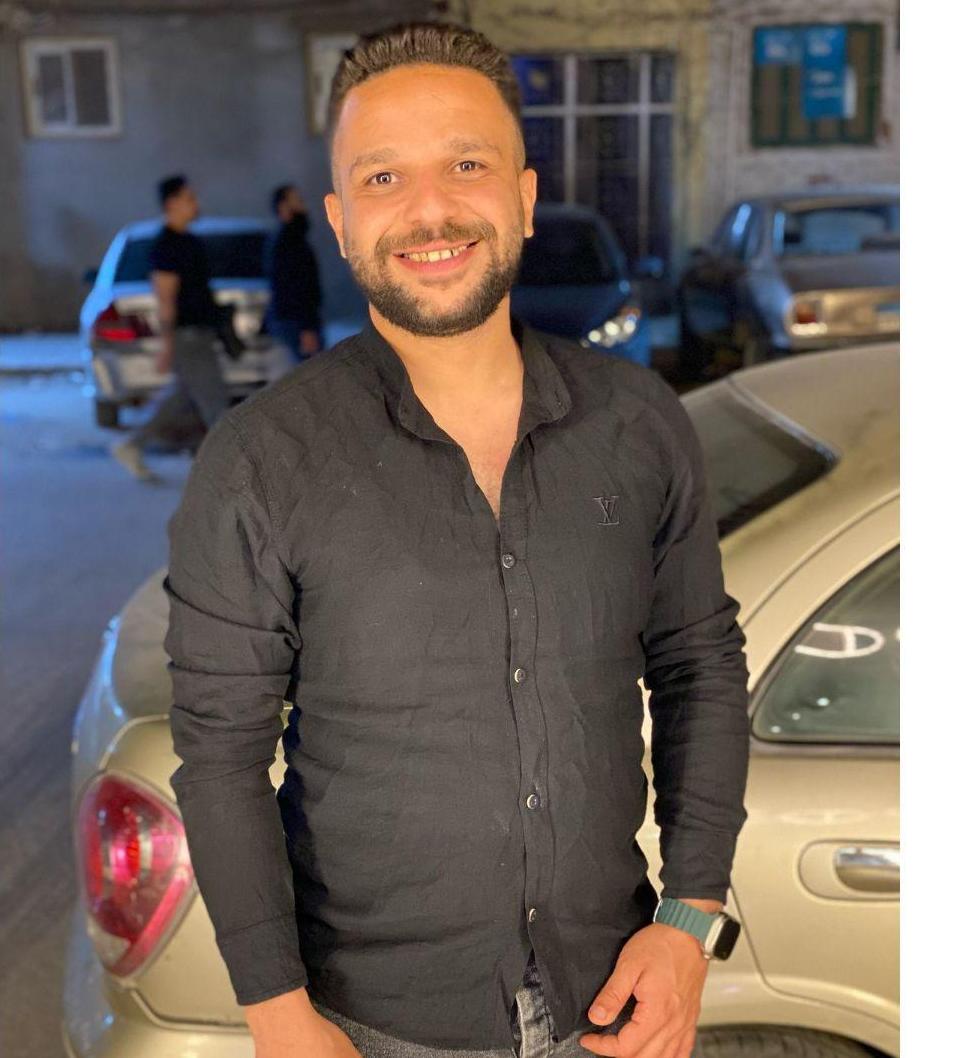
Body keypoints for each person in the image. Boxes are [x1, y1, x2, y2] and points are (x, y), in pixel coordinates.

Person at [165, 23, 749, 1058]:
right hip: (371, 1024)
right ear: (342, 221)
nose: (429, 210)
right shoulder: (260, 460)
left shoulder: (639, 423)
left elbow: (697, 663)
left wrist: (689, 916)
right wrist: (277, 1011)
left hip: (613, 999)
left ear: (522, 196)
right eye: (384, 176)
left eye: (465, 165)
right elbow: (220, 753)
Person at [111, 175, 228, 481]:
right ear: (172, 203)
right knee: (215, 403)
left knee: (181, 397)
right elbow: (165, 298)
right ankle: (228, 472)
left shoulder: (189, 242)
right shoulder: (167, 246)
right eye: (189, 198)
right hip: (188, 336)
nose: (195, 204)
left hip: (200, 331)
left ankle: (132, 443)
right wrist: (167, 344)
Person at [266, 184, 324, 364]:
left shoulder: (292, 239)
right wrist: (306, 328)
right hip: (296, 325)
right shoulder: (289, 242)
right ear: (283, 207)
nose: (303, 205)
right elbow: (295, 287)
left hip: (295, 323)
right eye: (297, 200)